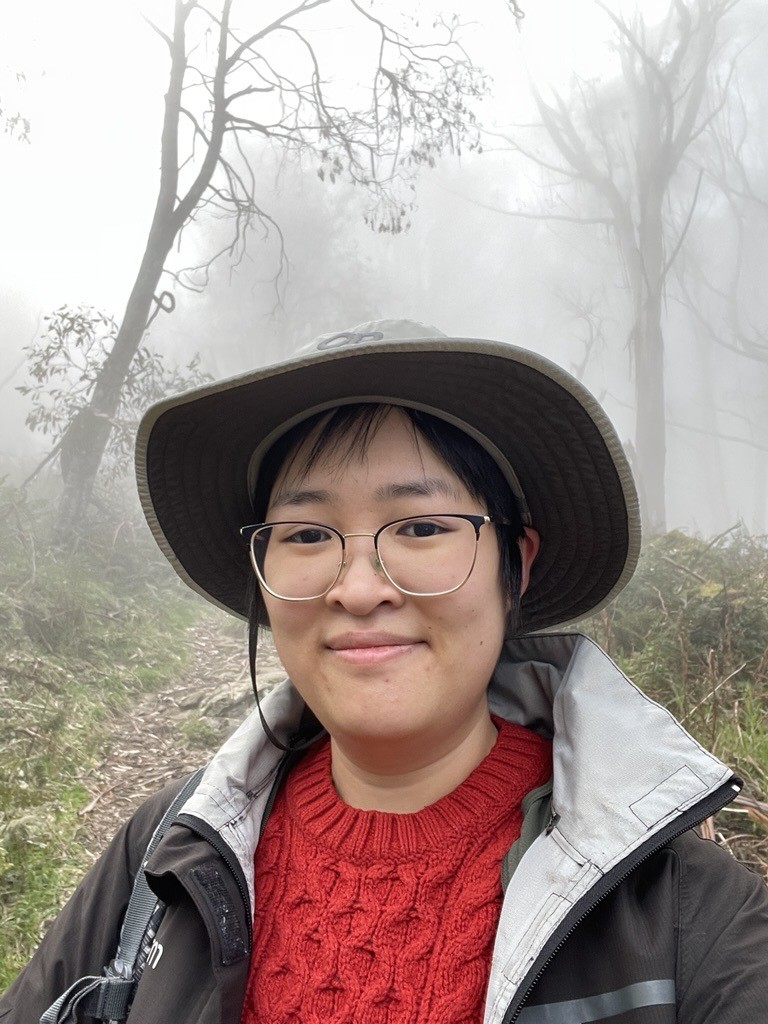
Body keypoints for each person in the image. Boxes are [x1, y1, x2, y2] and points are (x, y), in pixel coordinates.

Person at [2, 319, 766, 1024]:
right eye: (304, 533)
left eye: (423, 526)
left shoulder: (688, 923)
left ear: (516, 564)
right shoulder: (167, 850)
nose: (359, 588)